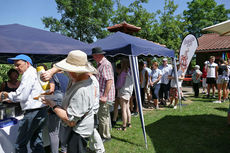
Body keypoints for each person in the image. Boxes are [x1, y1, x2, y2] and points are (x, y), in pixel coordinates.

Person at [41, 50, 96, 153]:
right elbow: (64, 62)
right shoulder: (81, 77)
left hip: (78, 132)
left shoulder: (81, 90)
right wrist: (51, 71)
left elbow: (70, 120)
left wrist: (52, 104)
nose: (66, 71)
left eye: (68, 69)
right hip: (79, 128)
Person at [0, 54, 47, 153]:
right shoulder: (35, 72)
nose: (16, 68)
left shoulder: (28, 74)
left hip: (33, 112)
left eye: (18, 65)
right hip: (40, 110)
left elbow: (22, 96)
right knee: (36, 141)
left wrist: (6, 95)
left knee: (20, 144)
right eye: (15, 65)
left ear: (27, 64)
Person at [92, 47, 115, 142]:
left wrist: (105, 96)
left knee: (103, 116)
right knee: (104, 116)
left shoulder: (105, 64)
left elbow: (109, 81)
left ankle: (105, 136)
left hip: (104, 96)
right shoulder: (100, 64)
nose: (93, 57)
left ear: (99, 55)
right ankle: (105, 133)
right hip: (102, 95)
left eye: (94, 56)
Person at [47, 70, 69, 153]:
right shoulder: (67, 77)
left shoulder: (52, 77)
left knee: (53, 133)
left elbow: (51, 91)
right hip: (65, 106)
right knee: (63, 129)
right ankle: (64, 150)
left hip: (55, 107)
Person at [116, 58, 133, 131]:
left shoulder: (123, 73)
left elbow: (119, 84)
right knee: (127, 108)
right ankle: (129, 123)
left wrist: (116, 87)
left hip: (123, 92)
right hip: (129, 92)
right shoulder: (130, 71)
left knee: (123, 110)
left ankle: (123, 126)